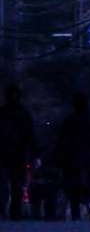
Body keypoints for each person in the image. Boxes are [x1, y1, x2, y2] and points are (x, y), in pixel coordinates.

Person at [57, 92, 90, 221]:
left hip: (73, 159)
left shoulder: (69, 120)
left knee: (74, 190)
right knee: (87, 187)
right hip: (89, 158)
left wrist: (61, 158)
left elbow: (62, 141)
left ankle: (76, 214)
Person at [0, 82, 35, 220]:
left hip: (13, 153)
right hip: (13, 153)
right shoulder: (22, 113)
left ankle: (11, 211)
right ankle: (13, 211)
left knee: (13, 185)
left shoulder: (8, 113)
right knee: (14, 185)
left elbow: (29, 134)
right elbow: (30, 134)